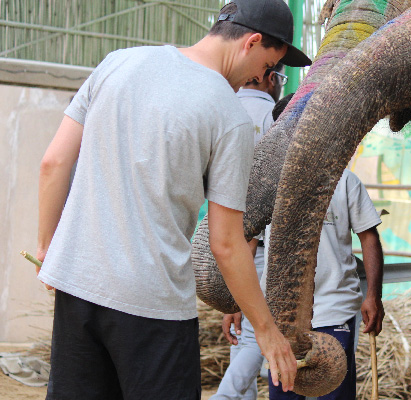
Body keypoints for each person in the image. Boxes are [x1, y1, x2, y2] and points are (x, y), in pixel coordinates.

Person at [35, 0, 311, 398]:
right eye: (269, 68)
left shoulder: (117, 63)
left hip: (77, 289)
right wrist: (268, 333)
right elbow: (227, 242)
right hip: (152, 306)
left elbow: (53, 161)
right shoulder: (227, 115)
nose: (263, 78)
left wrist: (47, 246)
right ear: (251, 42)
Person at [213, 168, 385, 400]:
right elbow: (248, 246)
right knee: (285, 393)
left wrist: (373, 296)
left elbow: (369, 236)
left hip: (335, 309)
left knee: (335, 394)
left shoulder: (345, 180)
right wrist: (234, 303)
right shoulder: (271, 181)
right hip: (282, 316)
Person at [211, 87, 289, 400]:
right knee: (259, 333)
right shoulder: (280, 158)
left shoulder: (227, 107)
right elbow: (252, 229)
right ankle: (225, 397)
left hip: (245, 245)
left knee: (249, 332)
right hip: (263, 253)